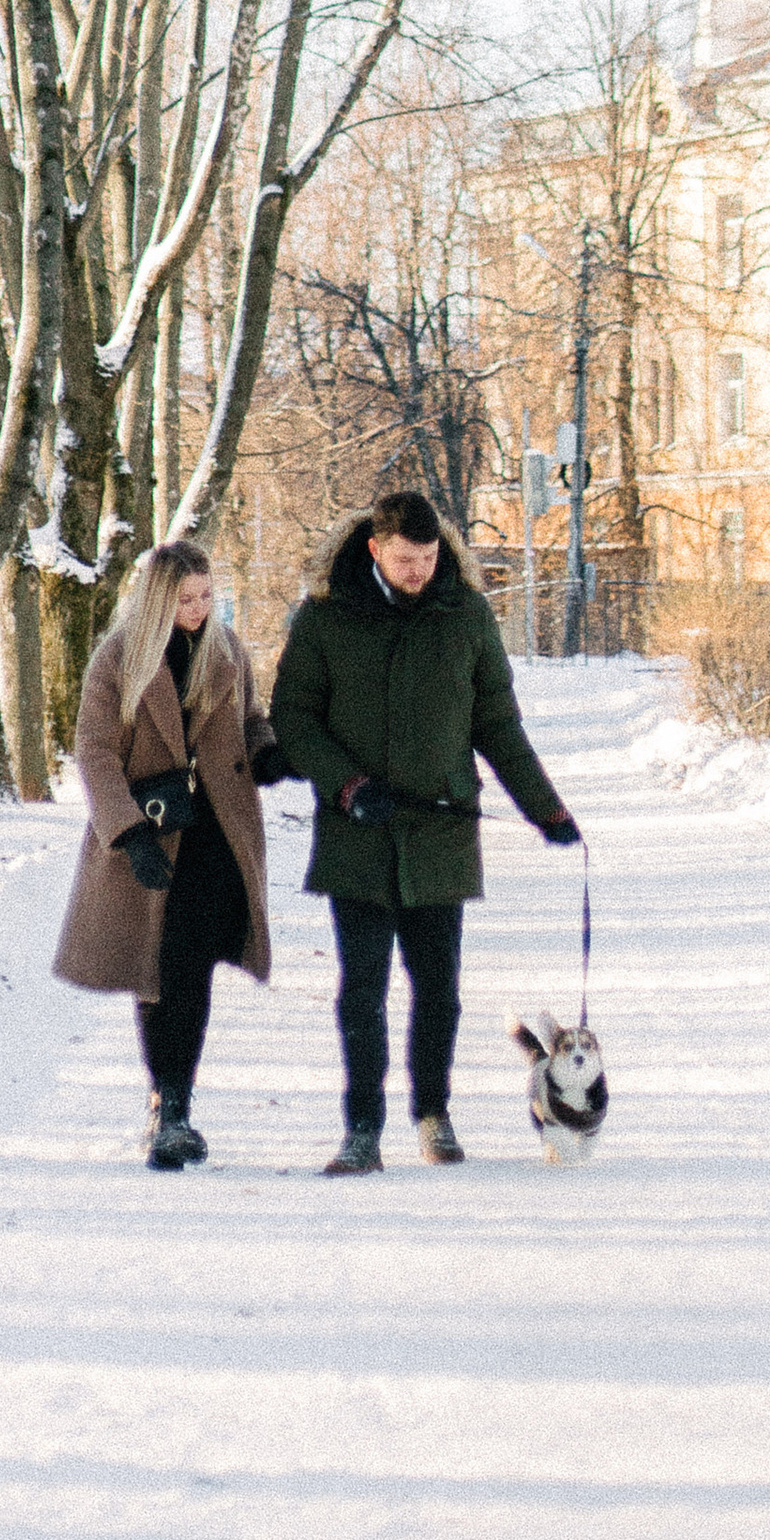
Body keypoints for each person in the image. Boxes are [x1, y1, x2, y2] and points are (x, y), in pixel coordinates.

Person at [271, 490, 580, 1176]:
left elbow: (497, 723)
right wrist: (346, 786)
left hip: (440, 833)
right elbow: (293, 717)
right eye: (406, 560)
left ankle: (433, 1114)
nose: (419, 571)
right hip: (358, 833)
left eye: (430, 557)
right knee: (362, 989)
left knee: (438, 989)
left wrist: (546, 810)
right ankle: (362, 1129)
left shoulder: (465, 615)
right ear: (377, 550)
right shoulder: (327, 615)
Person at [51, 539, 283, 1170]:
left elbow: (252, 719)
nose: (199, 609)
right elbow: (95, 753)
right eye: (185, 599)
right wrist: (126, 834)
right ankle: (168, 1105)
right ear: (158, 599)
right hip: (150, 835)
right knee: (159, 969)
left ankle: (178, 1101)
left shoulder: (227, 650)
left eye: (207, 596)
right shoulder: (118, 658)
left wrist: (267, 754)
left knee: (193, 969)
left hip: (216, 835)